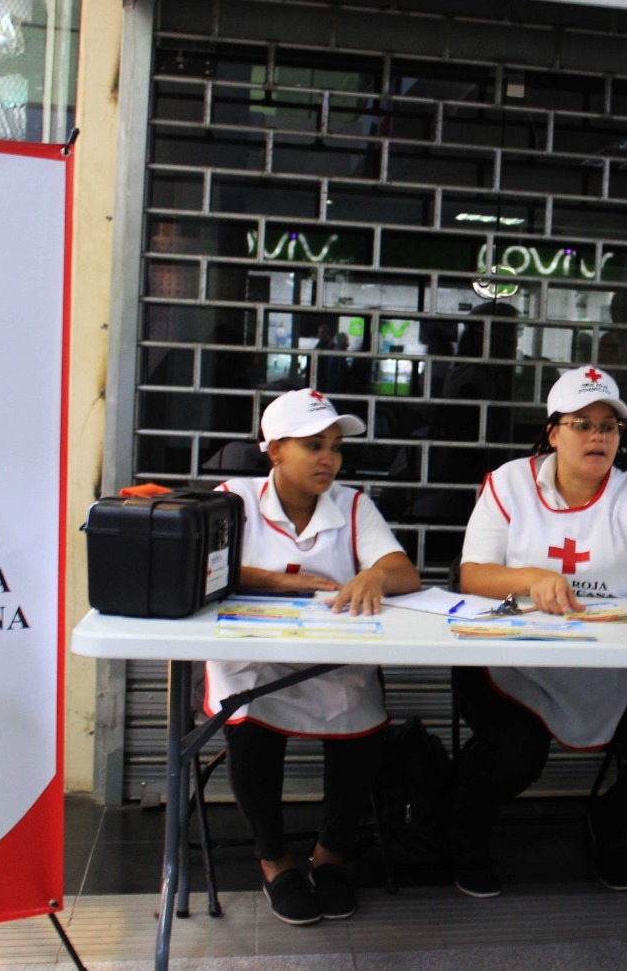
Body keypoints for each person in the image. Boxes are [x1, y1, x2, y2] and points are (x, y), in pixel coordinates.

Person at [452, 365, 627, 898]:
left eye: (609, 426)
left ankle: (609, 824)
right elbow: (472, 575)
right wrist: (532, 579)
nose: (597, 436)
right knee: (513, 752)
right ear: (553, 432)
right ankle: (465, 839)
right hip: (516, 665)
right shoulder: (508, 484)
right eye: (581, 424)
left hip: (614, 668)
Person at [205, 387, 421, 926]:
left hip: (333, 659)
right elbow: (203, 564)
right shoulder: (233, 497)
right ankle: (275, 858)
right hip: (253, 659)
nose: (329, 458)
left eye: (334, 446)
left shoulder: (352, 505)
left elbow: (406, 574)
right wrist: (274, 581)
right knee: (249, 717)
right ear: (274, 450)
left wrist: (374, 573)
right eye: (313, 445)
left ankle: (330, 854)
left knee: (362, 719)